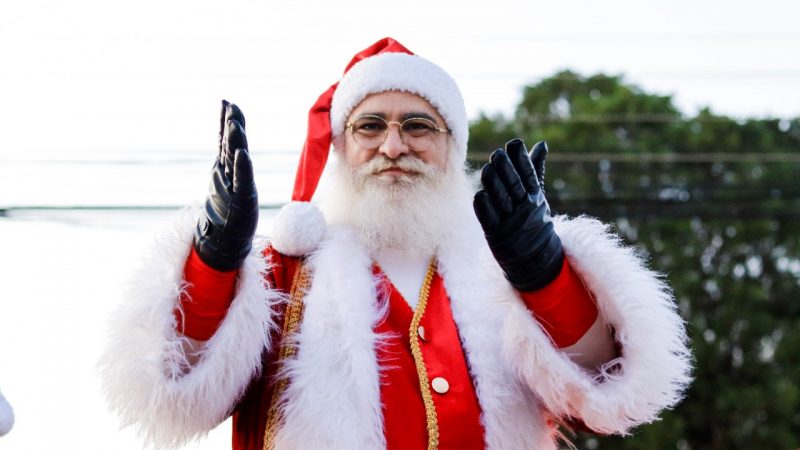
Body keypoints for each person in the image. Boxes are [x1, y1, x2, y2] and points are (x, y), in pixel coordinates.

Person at [99, 37, 692, 450]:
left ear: (452, 146)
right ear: (342, 148)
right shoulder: (285, 271)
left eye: (417, 125)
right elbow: (173, 394)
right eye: (370, 126)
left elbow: (608, 392)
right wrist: (213, 260)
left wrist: (542, 273)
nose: (393, 146)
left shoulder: (498, 268)